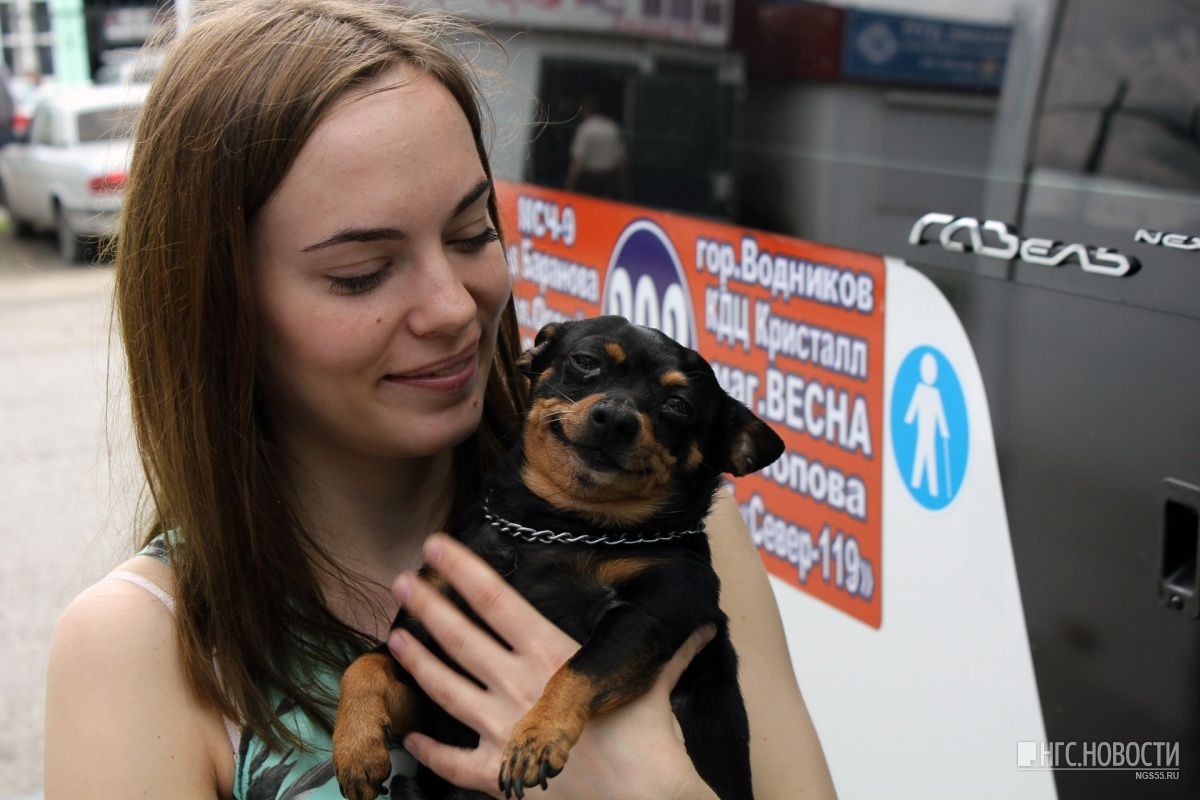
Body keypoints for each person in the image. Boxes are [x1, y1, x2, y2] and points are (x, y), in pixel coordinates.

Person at [43, 2, 836, 798]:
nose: (456, 308)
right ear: (219, 310)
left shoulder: (669, 529)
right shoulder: (142, 645)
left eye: (471, 234)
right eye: (363, 273)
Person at [564, 96, 627, 200]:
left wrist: (570, 182)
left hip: (589, 179)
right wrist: (619, 182)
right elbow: (621, 159)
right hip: (608, 179)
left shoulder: (585, 128)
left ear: (584, 111)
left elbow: (578, 160)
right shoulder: (612, 127)